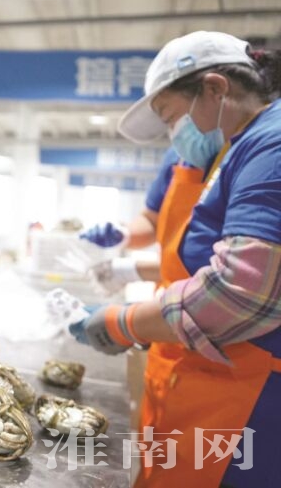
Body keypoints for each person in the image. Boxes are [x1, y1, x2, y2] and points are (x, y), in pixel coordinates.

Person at [70, 31, 281, 487]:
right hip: (209, 376)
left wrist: (125, 321)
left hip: (251, 401)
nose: (174, 135)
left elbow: (239, 294)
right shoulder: (239, 148)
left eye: (171, 117)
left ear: (215, 88)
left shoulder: (272, 146)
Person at [79, 146, 200, 294]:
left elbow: (215, 269)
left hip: (203, 297)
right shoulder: (180, 155)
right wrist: (124, 235)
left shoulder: (227, 165)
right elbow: (152, 220)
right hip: (170, 293)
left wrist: (134, 270)